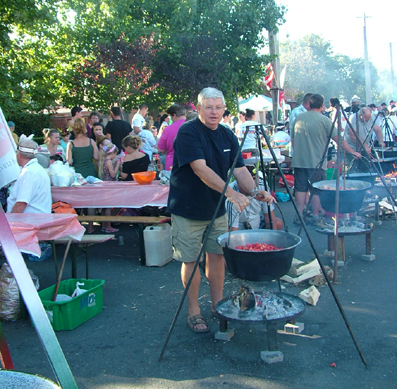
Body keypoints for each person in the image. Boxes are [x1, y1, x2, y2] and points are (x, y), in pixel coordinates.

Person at [168, 87, 275, 333]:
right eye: (208, 107)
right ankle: (194, 310)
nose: (214, 112)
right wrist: (232, 193)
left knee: (217, 256)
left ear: (224, 109)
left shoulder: (227, 135)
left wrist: (254, 191)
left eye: (218, 107)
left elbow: (239, 170)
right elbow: (200, 169)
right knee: (191, 260)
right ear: (199, 108)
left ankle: (218, 305)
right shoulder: (188, 132)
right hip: (188, 208)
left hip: (215, 209)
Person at [291, 94, 360, 224]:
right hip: (317, 161)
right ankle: (316, 216)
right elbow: (338, 139)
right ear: (322, 106)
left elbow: (293, 140)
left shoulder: (298, 118)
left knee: (300, 189)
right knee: (316, 189)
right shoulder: (325, 120)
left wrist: (298, 154)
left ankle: (299, 216)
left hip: (299, 161)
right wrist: (352, 151)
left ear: (309, 105)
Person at [7, 136, 51, 213]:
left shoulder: (29, 172)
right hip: (36, 220)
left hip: (29, 222)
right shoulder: (37, 169)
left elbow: (21, 204)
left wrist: (10, 223)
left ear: (19, 155)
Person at [98, 142, 121, 233]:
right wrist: (118, 165)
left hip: (105, 184)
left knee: (105, 206)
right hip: (110, 185)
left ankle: (104, 225)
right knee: (108, 206)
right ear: (112, 153)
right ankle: (108, 226)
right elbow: (113, 174)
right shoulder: (109, 162)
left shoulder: (103, 161)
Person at [157, 103, 186, 171]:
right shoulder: (193, 126)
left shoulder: (168, 129)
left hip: (172, 164)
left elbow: (161, 149)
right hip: (190, 163)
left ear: (174, 115)